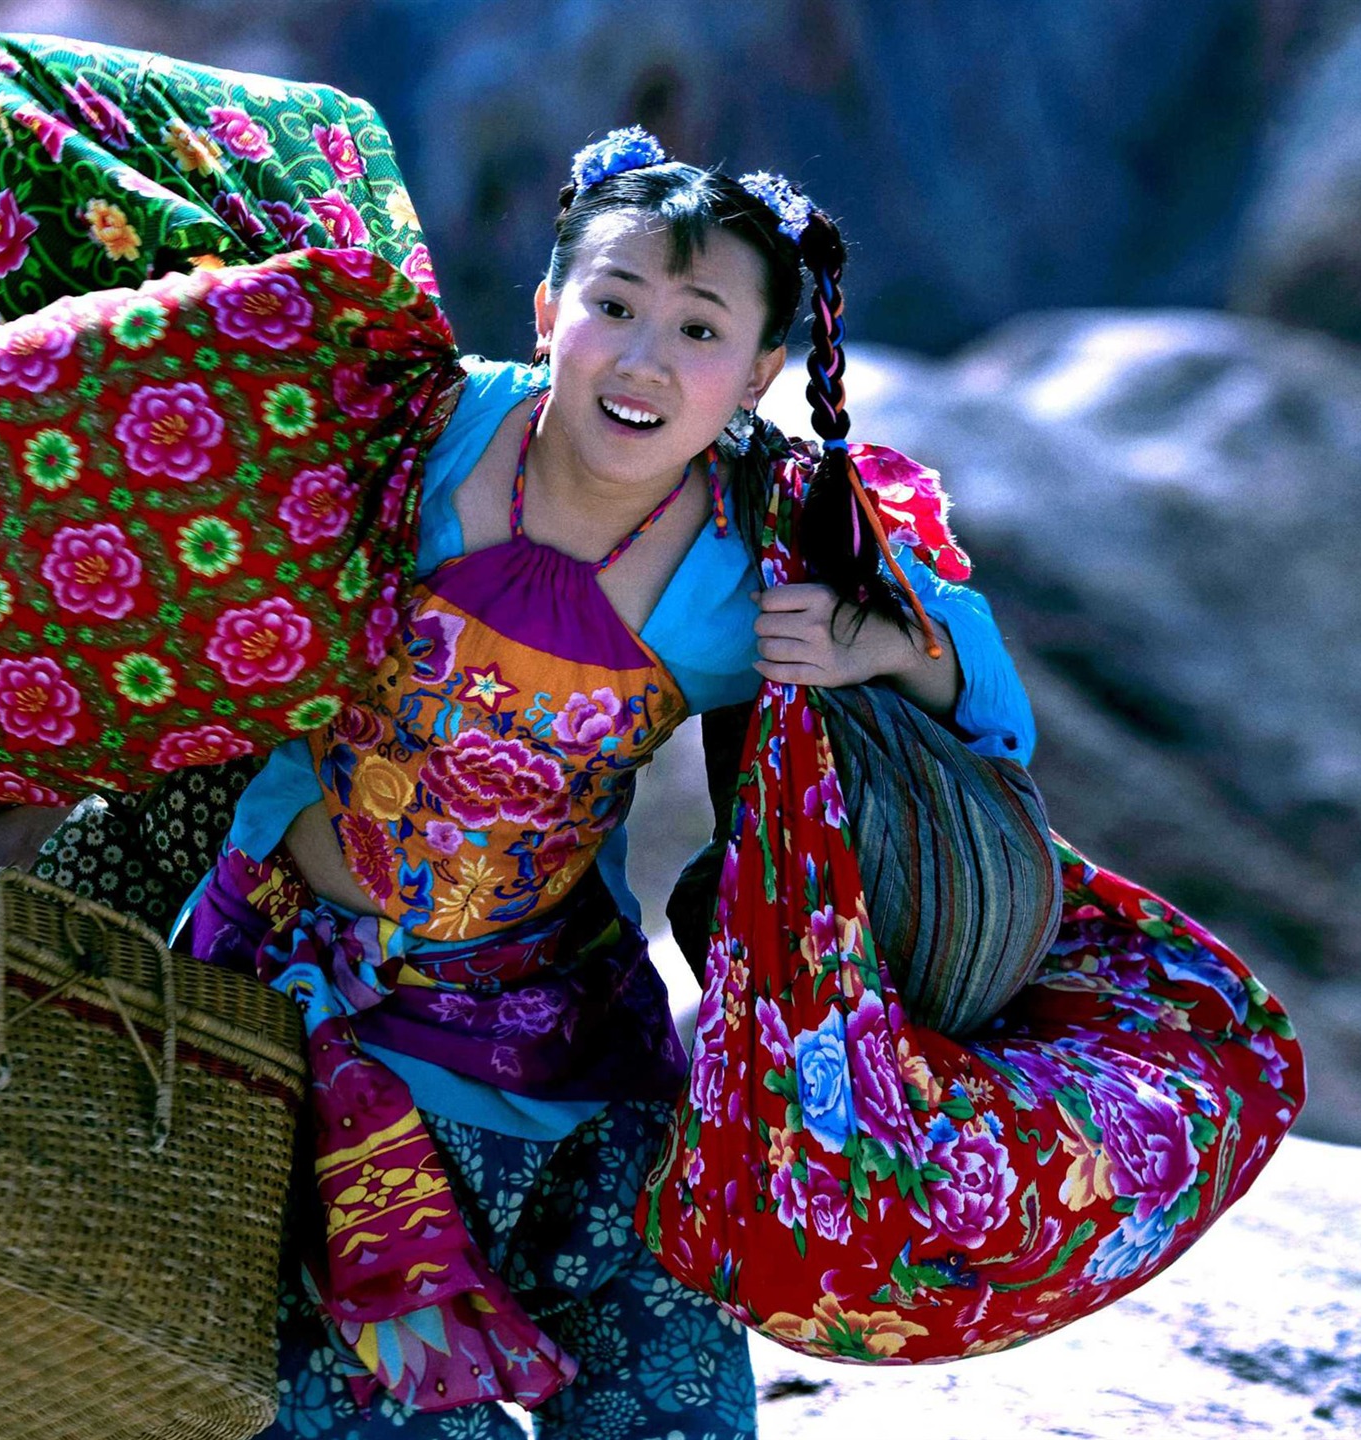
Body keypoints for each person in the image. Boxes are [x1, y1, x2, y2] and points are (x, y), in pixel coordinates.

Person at [173, 127, 1038, 1440]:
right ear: (547, 310)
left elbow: (993, 711)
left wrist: (881, 644)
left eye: (699, 331)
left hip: (567, 1036)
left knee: (675, 1391)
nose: (641, 359)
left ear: (757, 376)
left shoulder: (754, 556)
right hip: (296, 1008)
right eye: (613, 305)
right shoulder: (426, 437)